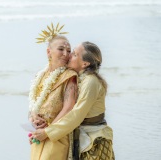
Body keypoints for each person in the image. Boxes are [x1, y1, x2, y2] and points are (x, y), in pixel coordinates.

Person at [31, 41, 115, 160]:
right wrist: (34, 116)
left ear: (85, 63)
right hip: (78, 136)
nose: (69, 55)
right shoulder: (76, 77)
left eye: (75, 54)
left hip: (94, 141)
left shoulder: (90, 82)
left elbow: (77, 114)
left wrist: (47, 133)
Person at [28, 24, 78, 160]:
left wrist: (48, 132)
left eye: (69, 50)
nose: (66, 54)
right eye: (61, 49)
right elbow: (34, 104)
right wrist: (32, 118)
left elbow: (69, 108)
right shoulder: (40, 76)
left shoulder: (70, 76)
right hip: (39, 135)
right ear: (48, 51)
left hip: (57, 135)